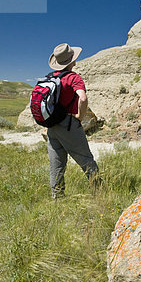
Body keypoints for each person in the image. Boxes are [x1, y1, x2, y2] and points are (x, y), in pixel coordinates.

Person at [46, 43, 99, 199]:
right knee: (86, 159)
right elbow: (82, 98)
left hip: (51, 126)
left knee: (56, 164)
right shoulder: (72, 77)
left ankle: (57, 198)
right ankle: (100, 192)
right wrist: (80, 117)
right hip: (68, 124)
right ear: (72, 60)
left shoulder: (50, 77)